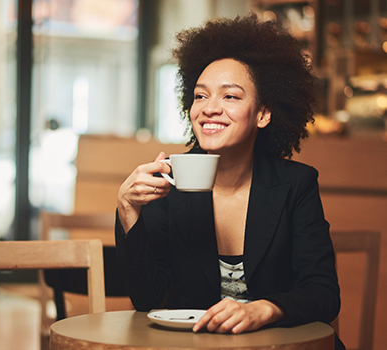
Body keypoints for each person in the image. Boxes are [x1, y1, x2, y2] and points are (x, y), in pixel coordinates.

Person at [115, 13, 344, 350]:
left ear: (263, 114)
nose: (209, 109)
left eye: (231, 97)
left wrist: (264, 310)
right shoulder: (166, 183)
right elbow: (149, 300)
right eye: (200, 96)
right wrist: (128, 209)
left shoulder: (297, 184)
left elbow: (323, 293)